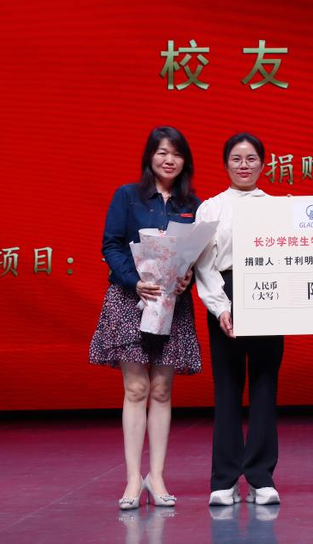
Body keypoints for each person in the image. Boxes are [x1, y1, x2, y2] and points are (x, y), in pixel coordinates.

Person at [89, 126, 202, 510]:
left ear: (185, 160)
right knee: (136, 389)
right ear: (149, 156)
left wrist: (187, 276)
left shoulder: (193, 204)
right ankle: (133, 480)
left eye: (176, 153)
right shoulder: (127, 196)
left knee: (162, 391)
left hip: (172, 305)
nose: (169, 159)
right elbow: (111, 245)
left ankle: (157, 476)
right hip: (131, 300)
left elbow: (195, 256)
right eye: (161, 152)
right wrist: (134, 281)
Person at [195, 133, 284, 507]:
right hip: (225, 292)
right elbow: (204, 264)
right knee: (227, 387)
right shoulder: (211, 208)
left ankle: (261, 478)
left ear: (263, 164)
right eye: (236, 158)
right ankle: (225, 479)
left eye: (251, 158)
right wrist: (221, 307)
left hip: (269, 294)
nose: (244, 165)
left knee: (264, 384)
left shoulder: (279, 208)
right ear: (225, 164)